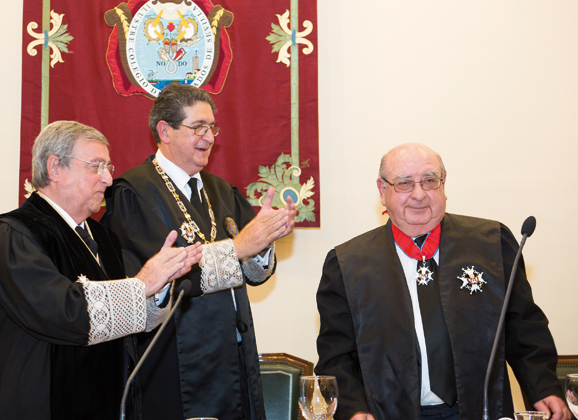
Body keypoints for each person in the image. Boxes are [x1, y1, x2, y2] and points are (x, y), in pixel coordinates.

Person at [315, 143, 570, 420]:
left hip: (479, 410)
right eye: (404, 183)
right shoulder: (347, 264)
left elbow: (525, 329)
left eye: (429, 181)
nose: (419, 194)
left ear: (444, 184)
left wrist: (543, 388)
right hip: (388, 413)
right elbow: (336, 355)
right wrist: (353, 409)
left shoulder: (492, 243)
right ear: (382, 191)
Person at [101, 83, 296, 420]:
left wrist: (264, 242)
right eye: (198, 127)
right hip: (175, 359)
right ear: (165, 131)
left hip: (233, 355)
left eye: (212, 127)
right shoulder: (135, 193)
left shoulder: (222, 191)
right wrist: (239, 247)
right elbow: (165, 278)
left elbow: (254, 275)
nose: (209, 137)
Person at [0, 121, 203, 420]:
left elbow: (133, 317)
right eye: (96, 166)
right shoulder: (14, 234)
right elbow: (61, 311)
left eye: (109, 166)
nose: (108, 179)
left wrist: (160, 286)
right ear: (55, 168)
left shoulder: (104, 237)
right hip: (46, 401)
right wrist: (142, 284)